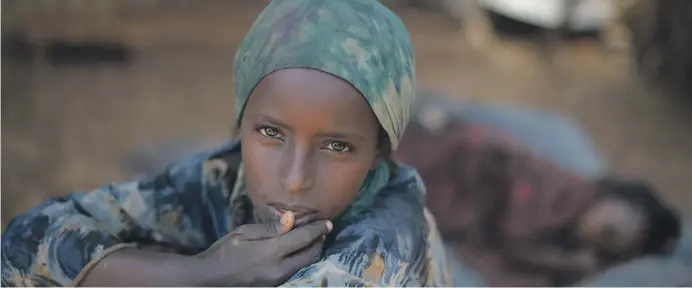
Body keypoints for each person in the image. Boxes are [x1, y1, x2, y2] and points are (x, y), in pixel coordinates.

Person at [0, 0, 451, 286]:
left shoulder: (382, 250)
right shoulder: (224, 177)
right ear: (241, 123)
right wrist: (201, 272)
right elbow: (27, 238)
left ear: (379, 152)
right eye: (271, 133)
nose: (294, 181)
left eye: (337, 147)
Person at [394, 94, 682, 286]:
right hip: (464, 163)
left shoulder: (567, 256)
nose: (599, 230)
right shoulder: (570, 187)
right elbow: (514, 166)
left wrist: (574, 263)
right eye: (610, 227)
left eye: (606, 240)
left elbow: (513, 257)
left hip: (454, 206)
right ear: (619, 198)